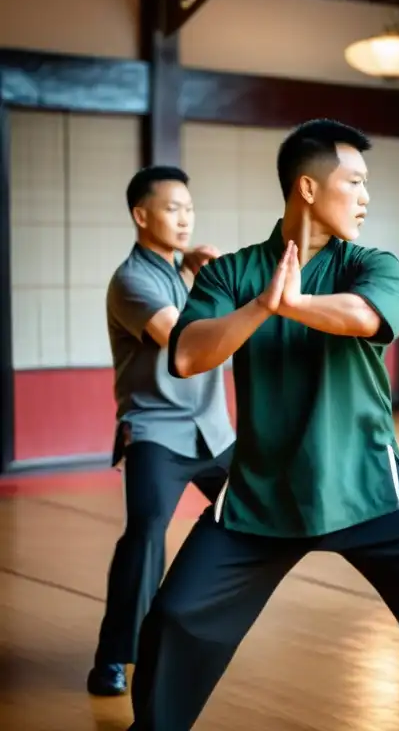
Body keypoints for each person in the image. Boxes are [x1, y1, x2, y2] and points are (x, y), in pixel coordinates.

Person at [127, 119, 399, 731]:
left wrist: (292, 304)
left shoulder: (374, 265)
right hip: (262, 494)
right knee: (177, 615)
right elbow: (188, 355)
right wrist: (261, 306)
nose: (367, 196)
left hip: (368, 484)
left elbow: (365, 317)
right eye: (355, 181)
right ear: (308, 189)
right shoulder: (231, 274)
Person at [88, 166, 234, 697]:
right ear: (141, 215)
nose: (184, 217)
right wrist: (225, 289)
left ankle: (191, 619)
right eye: (173, 208)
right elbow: (183, 343)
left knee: (258, 512)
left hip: (213, 432)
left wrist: (204, 276)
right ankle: (113, 657)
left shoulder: (178, 271)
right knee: (146, 533)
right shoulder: (133, 280)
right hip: (157, 432)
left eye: (189, 208)